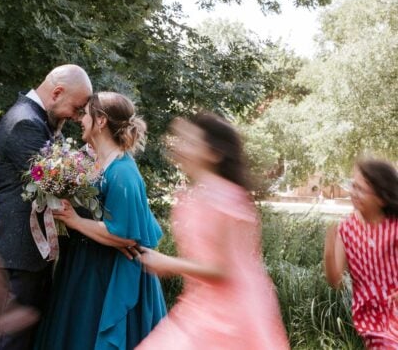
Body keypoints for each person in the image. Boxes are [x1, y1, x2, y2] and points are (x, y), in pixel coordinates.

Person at [135, 112, 289, 350]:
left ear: (214, 153)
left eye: (191, 142)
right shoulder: (196, 196)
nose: (181, 148)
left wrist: (168, 263)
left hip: (231, 314)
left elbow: (226, 271)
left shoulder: (226, 199)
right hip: (202, 307)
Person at [33, 92, 167, 350]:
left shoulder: (123, 172)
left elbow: (128, 235)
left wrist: (74, 221)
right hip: (83, 267)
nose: (81, 119)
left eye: (85, 114)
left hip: (108, 276)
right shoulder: (95, 163)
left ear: (101, 121)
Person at [0, 64, 93, 350]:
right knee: (8, 345)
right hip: (18, 255)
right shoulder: (25, 123)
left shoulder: (40, 122)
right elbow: (58, 189)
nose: (78, 116)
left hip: (29, 257)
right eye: (77, 107)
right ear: (57, 92)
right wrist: (106, 225)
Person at [324, 159, 398, 349]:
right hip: (371, 320)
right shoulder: (346, 229)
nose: (353, 193)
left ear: (381, 198)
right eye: (353, 186)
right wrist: (329, 253)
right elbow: (336, 282)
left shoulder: (394, 226)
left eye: (361, 189)